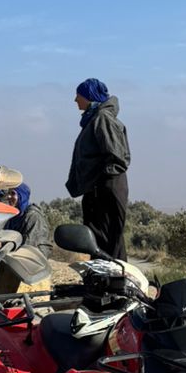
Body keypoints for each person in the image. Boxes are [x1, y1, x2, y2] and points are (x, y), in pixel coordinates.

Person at [66, 78, 130, 259]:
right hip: (99, 189)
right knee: (101, 238)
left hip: (105, 189)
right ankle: (105, 274)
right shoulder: (94, 118)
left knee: (106, 238)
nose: (75, 100)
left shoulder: (102, 118)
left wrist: (97, 182)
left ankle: (113, 274)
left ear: (89, 96)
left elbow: (117, 158)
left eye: (78, 95)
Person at [1, 180, 50, 248]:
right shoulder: (12, 216)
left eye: (13, 193)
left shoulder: (33, 216)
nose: (9, 196)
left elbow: (30, 244)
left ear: (22, 196)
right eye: (9, 193)